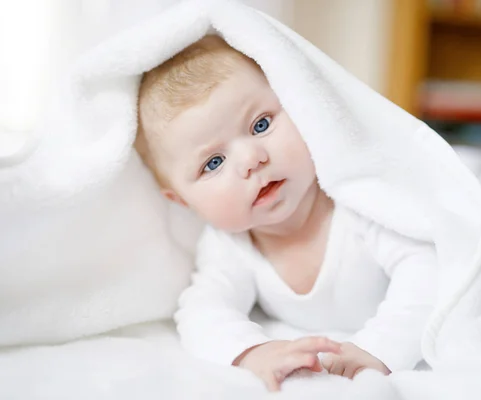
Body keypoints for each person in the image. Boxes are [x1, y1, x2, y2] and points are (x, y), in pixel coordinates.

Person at [135, 35, 438, 391]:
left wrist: (378, 348)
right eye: (213, 163)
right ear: (183, 200)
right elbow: (202, 312)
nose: (251, 160)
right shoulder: (229, 245)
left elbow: (431, 270)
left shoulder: (357, 203)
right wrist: (252, 353)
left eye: (260, 125)